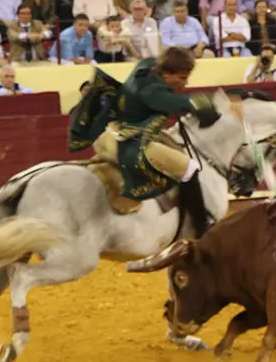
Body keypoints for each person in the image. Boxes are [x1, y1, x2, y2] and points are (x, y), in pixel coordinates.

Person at [84, 46, 223, 236]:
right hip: (130, 141)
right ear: (166, 74)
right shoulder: (154, 92)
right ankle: (202, 225)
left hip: (110, 133)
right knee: (189, 168)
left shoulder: (146, 65)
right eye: (182, 78)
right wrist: (213, 105)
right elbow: (188, 104)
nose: (186, 83)